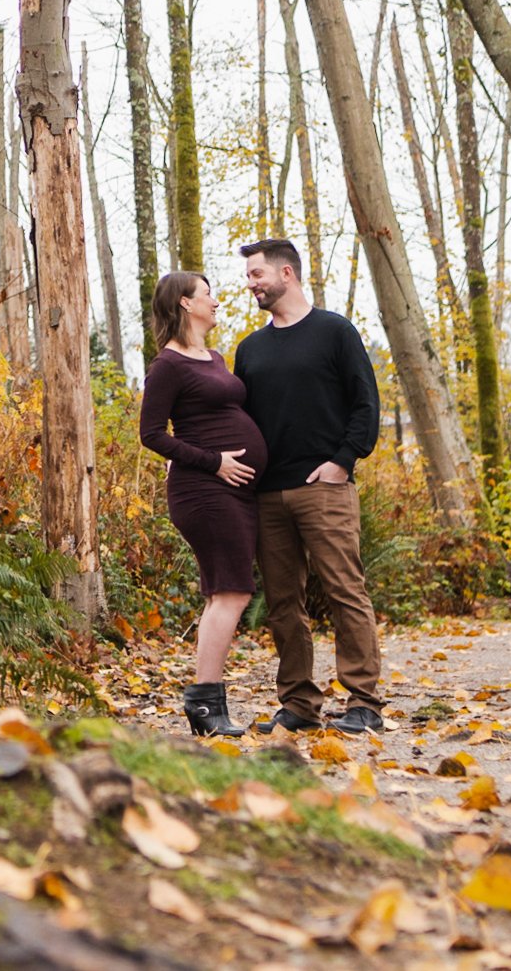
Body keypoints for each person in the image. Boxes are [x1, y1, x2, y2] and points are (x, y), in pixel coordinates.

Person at [235, 237, 385, 735]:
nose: (250, 283)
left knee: (345, 592)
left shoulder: (334, 332)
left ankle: (364, 701)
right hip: (266, 495)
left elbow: (366, 403)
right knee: (283, 605)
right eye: (249, 275)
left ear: (287, 274)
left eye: (257, 274)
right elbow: (239, 421)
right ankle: (299, 703)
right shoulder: (250, 349)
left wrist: (342, 462)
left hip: (324, 487)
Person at [137, 271, 264, 738]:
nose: (217, 300)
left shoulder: (213, 357)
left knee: (223, 592)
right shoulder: (167, 365)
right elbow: (151, 434)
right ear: (186, 304)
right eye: (208, 294)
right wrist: (212, 463)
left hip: (236, 491)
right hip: (205, 491)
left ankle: (207, 706)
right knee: (232, 591)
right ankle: (206, 703)